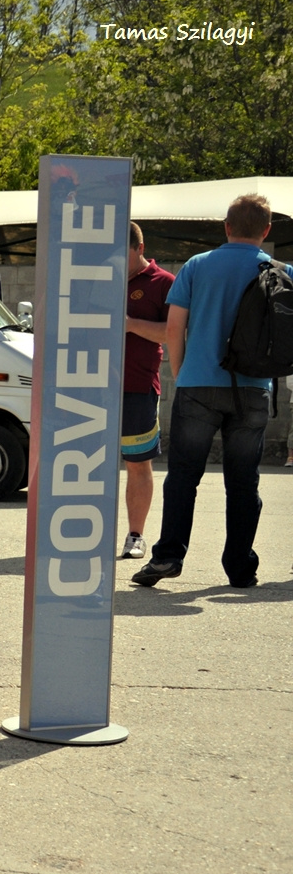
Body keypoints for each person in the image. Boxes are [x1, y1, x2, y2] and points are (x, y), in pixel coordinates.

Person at [134, 194, 277, 589]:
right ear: (266, 231)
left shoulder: (197, 266)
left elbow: (174, 328)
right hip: (253, 389)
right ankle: (240, 567)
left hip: (199, 383)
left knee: (183, 476)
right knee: (244, 482)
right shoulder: (281, 272)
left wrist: (181, 371)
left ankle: (167, 558)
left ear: (226, 227)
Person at [118, 222, 173, 560]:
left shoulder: (164, 283)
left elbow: (171, 332)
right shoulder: (93, 278)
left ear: (140, 248)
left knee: (137, 464)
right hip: (89, 386)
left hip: (138, 389)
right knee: (84, 464)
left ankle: (135, 536)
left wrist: (128, 324)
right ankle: (82, 536)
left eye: (121, 255)